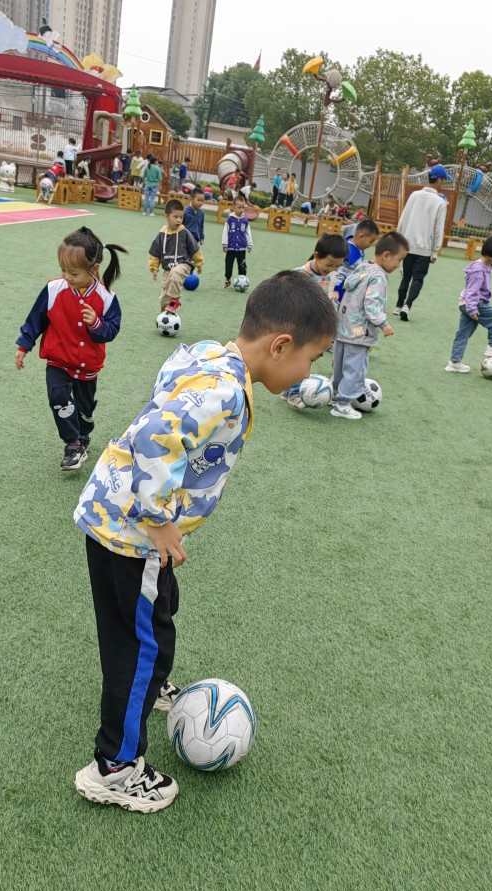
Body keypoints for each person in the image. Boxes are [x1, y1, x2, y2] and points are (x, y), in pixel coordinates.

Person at [72, 271, 338, 812]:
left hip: (114, 514)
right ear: (280, 345)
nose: (309, 373)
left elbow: (164, 405)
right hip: (134, 532)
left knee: (157, 613)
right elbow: (156, 437)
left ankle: (152, 689)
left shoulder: (209, 356)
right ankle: (115, 769)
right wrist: (158, 518)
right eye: (312, 359)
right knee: (138, 647)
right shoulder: (224, 391)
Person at [14, 228, 127, 470]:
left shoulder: (107, 297)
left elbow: (112, 331)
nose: (66, 276)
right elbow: (36, 318)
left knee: (85, 410)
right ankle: (72, 445)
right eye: (62, 269)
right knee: (58, 399)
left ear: (94, 269)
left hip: (88, 365)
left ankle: (84, 432)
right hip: (58, 360)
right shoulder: (53, 289)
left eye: (73, 272)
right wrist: (24, 344)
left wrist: (96, 324)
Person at [330, 232, 408, 420]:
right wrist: (383, 323)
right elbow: (372, 304)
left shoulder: (362, 267)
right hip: (359, 332)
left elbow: (347, 284)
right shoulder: (378, 277)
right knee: (356, 369)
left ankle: (334, 396)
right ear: (386, 255)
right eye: (399, 260)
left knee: (339, 366)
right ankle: (343, 404)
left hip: (343, 328)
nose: (398, 265)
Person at [283, 233, 350, 409]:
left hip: (314, 328)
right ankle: (294, 393)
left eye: (337, 266)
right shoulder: (300, 275)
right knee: (302, 360)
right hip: (298, 327)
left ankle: (287, 390)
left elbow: (327, 299)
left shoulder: (330, 275)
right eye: (329, 264)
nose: (332, 269)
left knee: (302, 359)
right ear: (317, 256)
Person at [445, 235, 492, 373]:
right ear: (491, 250)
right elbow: (472, 291)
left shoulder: (487, 265)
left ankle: (454, 363)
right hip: (473, 303)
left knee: (463, 334)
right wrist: (472, 309)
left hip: (467, 303)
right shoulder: (479, 270)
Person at [395, 164, 450, 321]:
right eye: (443, 180)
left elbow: (403, 218)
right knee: (418, 279)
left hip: (408, 244)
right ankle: (407, 305)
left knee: (406, 276)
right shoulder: (440, 202)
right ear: (439, 180)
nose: (443, 182)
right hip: (425, 248)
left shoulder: (414, 195)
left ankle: (398, 305)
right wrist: (435, 251)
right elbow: (438, 229)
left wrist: (399, 241)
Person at [149, 198, 204, 314]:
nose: (179, 220)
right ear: (167, 216)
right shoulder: (161, 235)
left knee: (175, 275)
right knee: (164, 298)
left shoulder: (185, 232)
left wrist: (198, 263)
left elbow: (194, 248)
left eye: (181, 217)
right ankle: (166, 316)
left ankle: (174, 301)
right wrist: (154, 268)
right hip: (167, 269)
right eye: (175, 217)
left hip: (183, 264)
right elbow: (155, 253)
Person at [333, 218, 380, 305]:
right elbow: (340, 272)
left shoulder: (358, 247)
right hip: (340, 291)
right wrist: (336, 290)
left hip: (349, 287)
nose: (370, 245)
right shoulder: (349, 252)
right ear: (361, 236)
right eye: (370, 241)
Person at [222, 194, 254, 288]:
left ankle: (242, 282)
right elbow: (225, 232)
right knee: (228, 266)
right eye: (239, 207)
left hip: (241, 249)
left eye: (243, 207)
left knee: (242, 267)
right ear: (233, 207)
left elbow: (248, 233)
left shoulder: (245, 221)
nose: (241, 210)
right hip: (230, 248)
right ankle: (227, 281)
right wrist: (225, 244)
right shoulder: (229, 220)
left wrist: (250, 244)